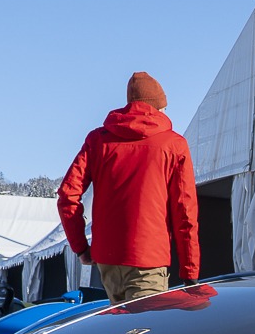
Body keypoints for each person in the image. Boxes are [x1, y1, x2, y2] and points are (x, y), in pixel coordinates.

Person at [58, 72, 200, 303]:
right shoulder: (173, 145)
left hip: (108, 261)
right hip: (149, 261)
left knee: (119, 332)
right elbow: (185, 213)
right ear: (158, 108)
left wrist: (81, 248)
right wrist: (190, 272)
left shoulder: (98, 140)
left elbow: (67, 196)